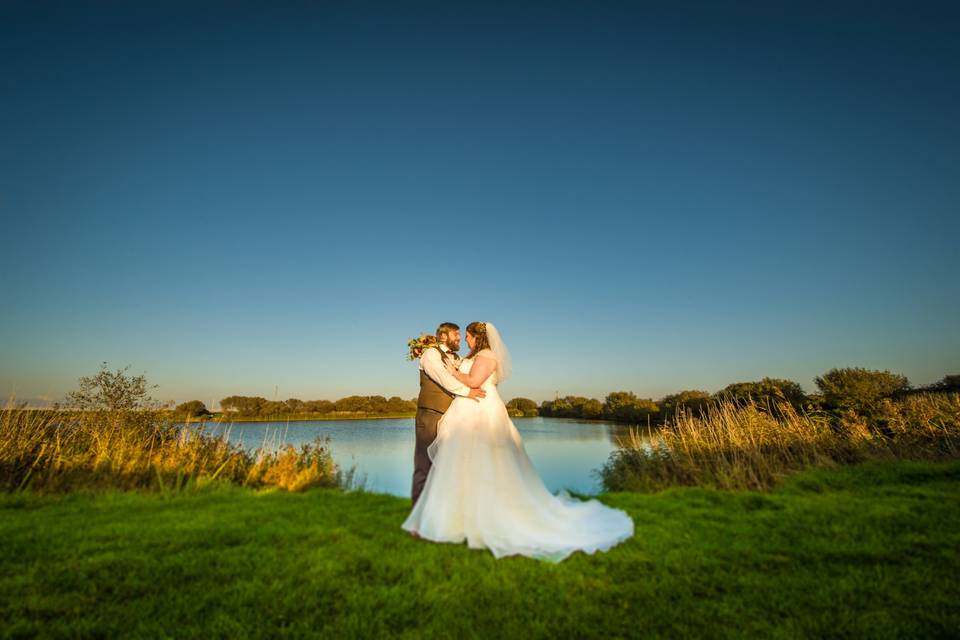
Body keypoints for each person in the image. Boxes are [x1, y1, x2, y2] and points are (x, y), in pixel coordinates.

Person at [401, 321, 634, 562]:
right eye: (459, 335)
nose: (464, 339)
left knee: (481, 463)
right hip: (454, 411)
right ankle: (440, 519)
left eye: (466, 335)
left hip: (479, 409)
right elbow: (452, 377)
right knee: (450, 465)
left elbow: (471, 381)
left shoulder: (485, 355)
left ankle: (478, 517)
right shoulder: (438, 354)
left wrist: (455, 373)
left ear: (476, 337)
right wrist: (454, 371)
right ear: (444, 335)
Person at [410, 322, 486, 507]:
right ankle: (418, 515)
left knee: (447, 463)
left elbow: (467, 375)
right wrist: (467, 392)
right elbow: (443, 379)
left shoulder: (456, 357)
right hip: (431, 415)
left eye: (461, 335)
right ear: (443, 336)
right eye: (456, 335)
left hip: (452, 416)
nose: (459, 338)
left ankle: (441, 510)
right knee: (425, 464)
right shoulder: (431, 354)